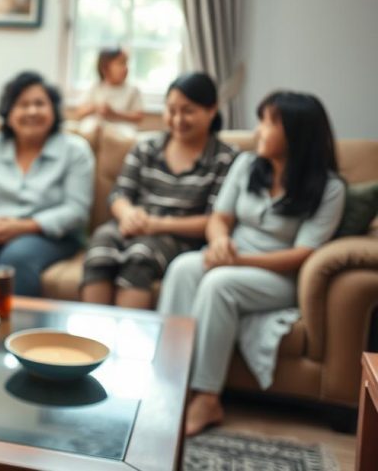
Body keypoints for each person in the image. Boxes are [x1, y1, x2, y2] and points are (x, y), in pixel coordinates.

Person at [158, 91, 346, 436]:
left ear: (297, 133)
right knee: (184, 267)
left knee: (219, 284)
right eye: (262, 120)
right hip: (232, 255)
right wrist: (219, 244)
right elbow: (219, 218)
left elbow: (303, 254)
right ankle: (168, 380)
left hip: (279, 276)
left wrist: (236, 260)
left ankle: (207, 398)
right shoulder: (246, 164)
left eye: (270, 122)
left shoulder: (330, 189)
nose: (259, 130)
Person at [79, 73, 238, 309]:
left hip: (179, 237)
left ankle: (127, 344)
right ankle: (91, 340)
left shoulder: (225, 158)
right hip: (135, 225)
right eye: (171, 110)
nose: (177, 119)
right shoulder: (147, 147)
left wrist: (157, 225)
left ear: (212, 110)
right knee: (101, 244)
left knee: (140, 256)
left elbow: (215, 219)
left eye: (188, 111)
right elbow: (119, 194)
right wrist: (128, 214)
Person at [0, 72, 95, 297]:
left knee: (16, 258)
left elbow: (76, 209)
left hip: (49, 235)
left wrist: (24, 227)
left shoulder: (75, 151)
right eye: (23, 104)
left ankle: (16, 331)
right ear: (8, 112)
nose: (32, 111)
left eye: (40, 104)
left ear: (53, 110)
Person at [74, 48, 144, 137]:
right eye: (121, 63)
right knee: (88, 129)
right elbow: (79, 112)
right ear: (105, 68)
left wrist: (114, 114)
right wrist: (95, 107)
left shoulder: (132, 90)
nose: (125, 68)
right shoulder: (96, 87)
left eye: (126, 63)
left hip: (122, 131)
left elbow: (139, 116)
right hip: (96, 130)